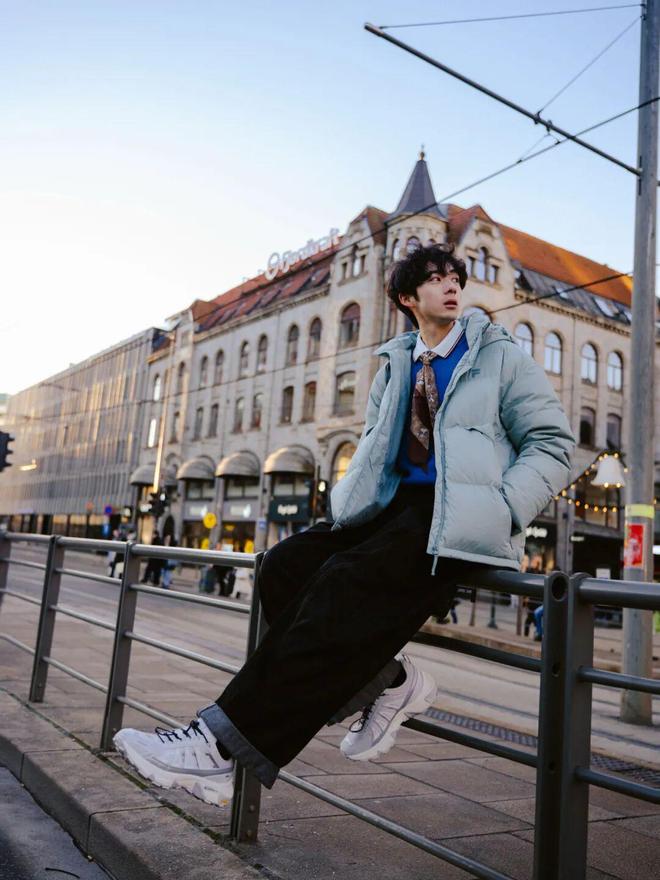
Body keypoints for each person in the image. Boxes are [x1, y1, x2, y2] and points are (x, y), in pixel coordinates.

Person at [114, 242, 574, 807]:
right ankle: (389, 681)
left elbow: (552, 443)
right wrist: (347, 506)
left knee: (340, 588)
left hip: (455, 517)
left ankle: (218, 747)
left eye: (456, 276)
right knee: (283, 567)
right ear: (407, 298)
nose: (452, 284)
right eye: (435, 278)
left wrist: (501, 508)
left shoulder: (498, 354)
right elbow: (376, 452)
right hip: (392, 508)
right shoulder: (396, 364)